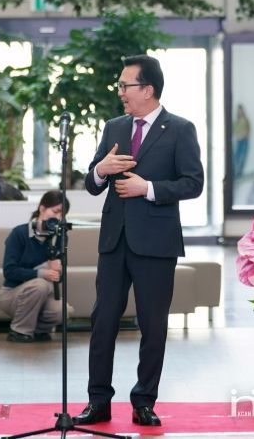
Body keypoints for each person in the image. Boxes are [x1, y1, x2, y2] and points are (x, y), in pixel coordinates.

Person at [73, 55, 204, 427]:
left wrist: (147, 188)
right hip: (114, 241)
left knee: (153, 324)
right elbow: (91, 183)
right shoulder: (114, 127)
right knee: (103, 320)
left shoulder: (180, 129)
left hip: (157, 243)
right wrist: (101, 170)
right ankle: (98, 401)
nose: (120, 92)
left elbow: (193, 183)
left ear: (147, 89)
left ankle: (144, 401)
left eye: (124, 85)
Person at [0, 190, 74, 343]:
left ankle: (38, 331)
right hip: (12, 294)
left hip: (43, 295)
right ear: (42, 208)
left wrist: (58, 270)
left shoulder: (60, 236)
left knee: (64, 311)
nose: (58, 217)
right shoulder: (19, 233)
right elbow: (9, 271)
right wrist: (43, 272)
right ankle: (19, 331)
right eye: (55, 211)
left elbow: (59, 279)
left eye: (62, 214)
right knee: (40, 285)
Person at [232, 104, 250, 177]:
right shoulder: (236, 121)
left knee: (242, 158)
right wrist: (239, 134)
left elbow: (248, 131)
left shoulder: (246, 120)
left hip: (244, 141)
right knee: (236, 158)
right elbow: (234, 131)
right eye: (239, 110)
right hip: (238, 142)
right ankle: (235, 174)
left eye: (241, 110)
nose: (240, 112)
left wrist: (244, 134)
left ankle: (239, 174)